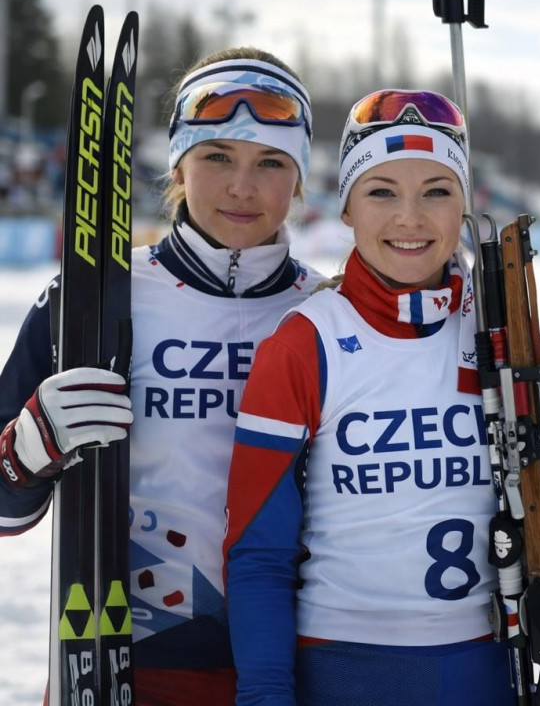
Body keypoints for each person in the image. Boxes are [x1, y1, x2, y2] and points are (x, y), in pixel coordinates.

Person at [222, 89, 540, 706]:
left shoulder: (501, 330)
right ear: (345, 206)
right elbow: (258, 554)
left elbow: (538, 510)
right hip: (343, 669)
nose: (410, 218)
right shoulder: (305, 343)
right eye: (381, 192)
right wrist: (265, 693)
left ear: (465, 204)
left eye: (436, 190)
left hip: (485, 666)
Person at [0, 47, 322, 705]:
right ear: (178, 163)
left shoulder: (326, 312)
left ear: (300, 178)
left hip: (292, 667)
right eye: (217, 158)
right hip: (124, 661)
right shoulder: (94, 297)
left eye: (271, 163)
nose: (242, 187)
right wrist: (25, 452)